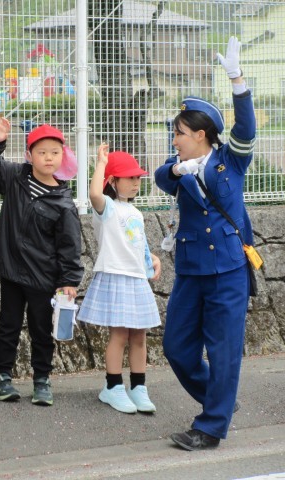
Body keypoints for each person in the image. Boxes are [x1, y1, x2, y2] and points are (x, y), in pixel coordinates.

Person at [154, 37, 256, 451]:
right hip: (192, 269)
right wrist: (179, 170)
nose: (174, 139)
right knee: (177, 347)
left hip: (229, 269)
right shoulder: (177, 166)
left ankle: (211, 425)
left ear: (200, 134)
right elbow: (161, 177)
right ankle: (221, 400)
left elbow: (245, 129)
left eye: (178, 133)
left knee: (224, 350)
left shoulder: (231, 160)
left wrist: (237, 81)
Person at [0, 116, 83, 406]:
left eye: (55, 152)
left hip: (43, 277)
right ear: (29, 155)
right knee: (8, 326)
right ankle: (3, 378)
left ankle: (42, 380)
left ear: (63, 156)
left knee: (41, 330)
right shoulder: (14, 178)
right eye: (42, 152)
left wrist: (69, 280)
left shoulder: (63, 201)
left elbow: (70, 246)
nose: (48, 157)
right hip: (11, 271)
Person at [77, 144, 161, 414]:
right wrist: (101, 164)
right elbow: (93, 194)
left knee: (140, 336)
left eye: (138, 178)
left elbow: (138, 243)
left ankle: (138, 387)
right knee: (120, 335)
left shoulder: (136, 212)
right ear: (113, 181)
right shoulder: (107, 208)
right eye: (130, 178)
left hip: (136, 278)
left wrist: (152, 259)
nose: (136, 183)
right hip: (116, 275)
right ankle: (113, 386)